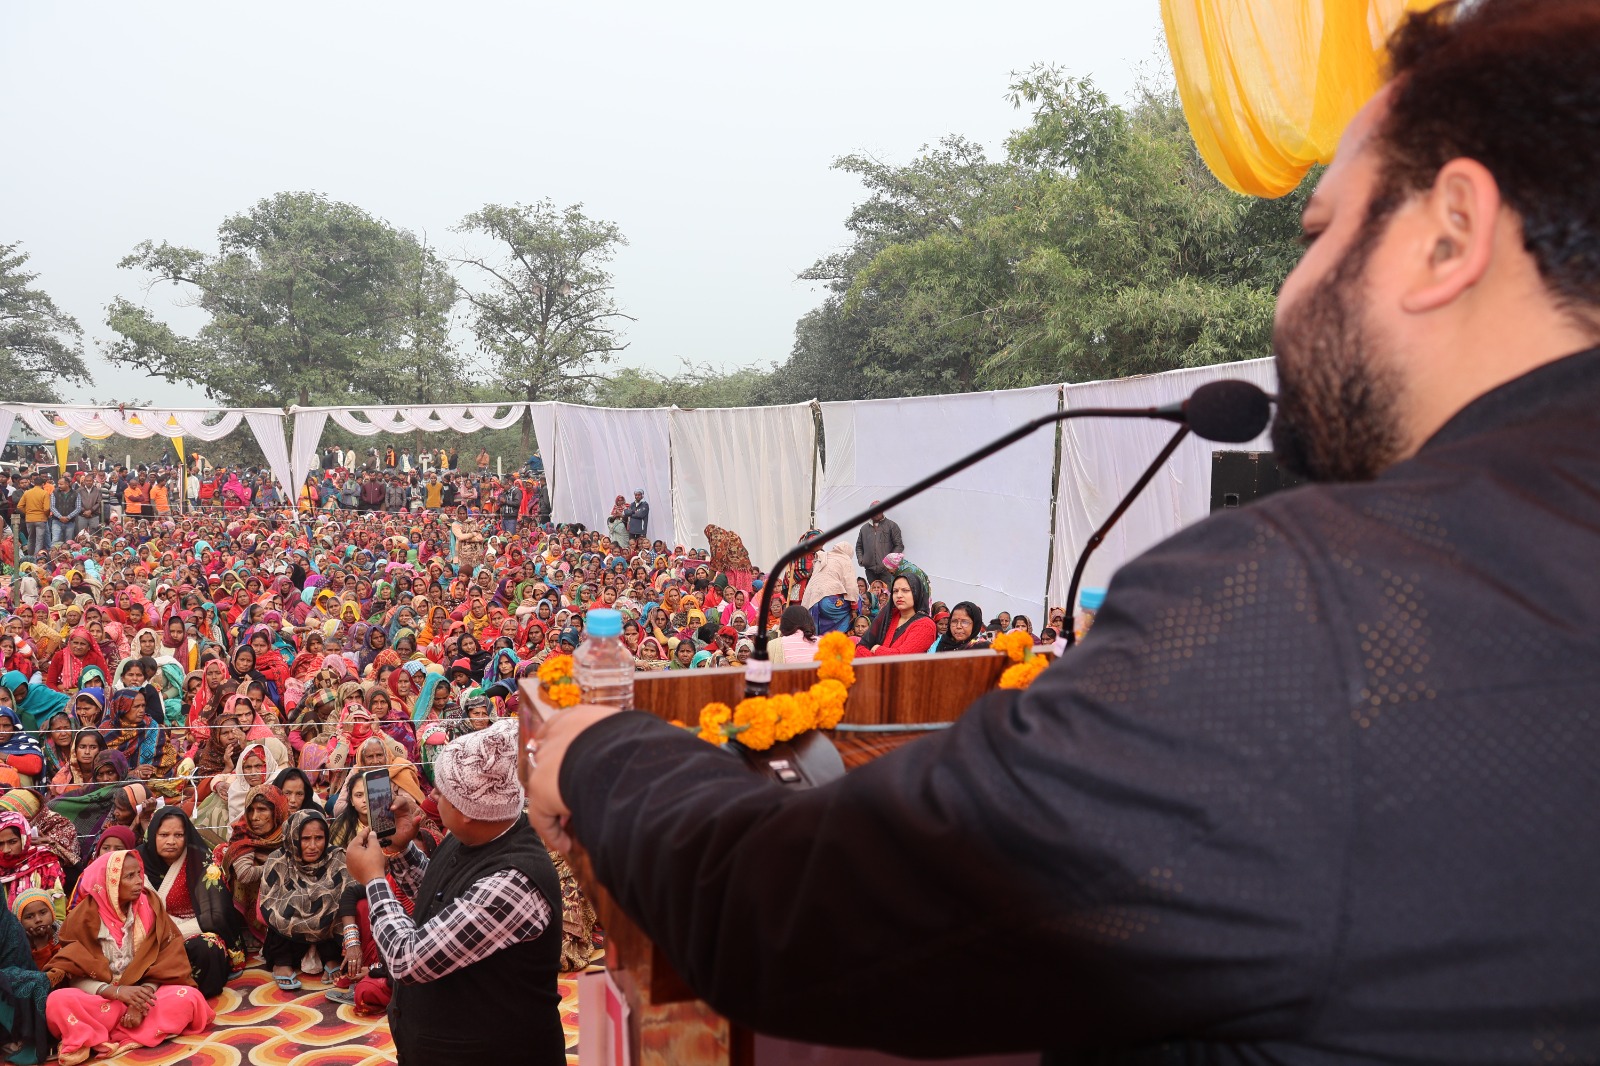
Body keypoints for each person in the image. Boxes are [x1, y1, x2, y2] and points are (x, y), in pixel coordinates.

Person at [523, 3, 1600, 1060]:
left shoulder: (1325, 609)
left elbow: (789, 910)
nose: (1293, 287)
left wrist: (601, 752)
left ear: (1450, 233)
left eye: (1319, 230)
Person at [345, 719, 563, 1063]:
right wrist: (400, 851)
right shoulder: (478, 834)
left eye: (442, 791)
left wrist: (373, 879)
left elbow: (407, 960)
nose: (431, 796)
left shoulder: (514, 881)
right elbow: (444, 900)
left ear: (469, 811)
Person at [43, 850, 212, 1065]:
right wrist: (117, 992)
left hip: (144, 994)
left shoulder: (150, 906)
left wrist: (140, 1002)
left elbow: (168, 957)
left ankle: (98, 1036)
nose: (139, 881)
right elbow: (74, 973)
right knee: (57, 1001)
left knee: (190, 998)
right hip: (102, 999)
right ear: (109, 882)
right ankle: (131, 1033)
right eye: (129, 876)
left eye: (139, 873)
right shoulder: (82, 918)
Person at [138, 807, 238, 998]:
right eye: (164, 835)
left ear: (187, 836)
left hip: (189, 931)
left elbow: (215, 916)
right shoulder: (135, 861)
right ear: (152, 835)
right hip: (145, 936)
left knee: (208, 947)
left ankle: (188, 994)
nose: (171, 841)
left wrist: (168, 936)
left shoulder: (201, 862)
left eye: (178, 835)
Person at [259, 809, 349, 991]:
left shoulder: (337, 857)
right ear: (293, 837)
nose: (313, 846)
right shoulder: (278, 860)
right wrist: (301, 901)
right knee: (286, 906)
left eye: (319, 838)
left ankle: (331, 956)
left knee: (334, 903)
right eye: (305, 839)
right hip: (286, 937)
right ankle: (282, 962)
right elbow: (269, 902)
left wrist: (320, 900)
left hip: (328, 934)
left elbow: (349, 894)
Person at [0, 889, 51, 1065]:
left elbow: (21, 967)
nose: (38, 920)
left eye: (42, 913)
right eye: (30, 916)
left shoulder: (10, 926)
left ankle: (23, 1038)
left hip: (6, 988)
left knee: (38, 982)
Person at [853, 504, 903, 587]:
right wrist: (862, 560)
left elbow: (899, 545)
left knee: (886, 593)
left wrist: (890, 562)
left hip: (887, 570)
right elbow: (859, 546)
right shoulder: (864, 529)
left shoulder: (891, 526)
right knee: (873, 593)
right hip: (870, 570)